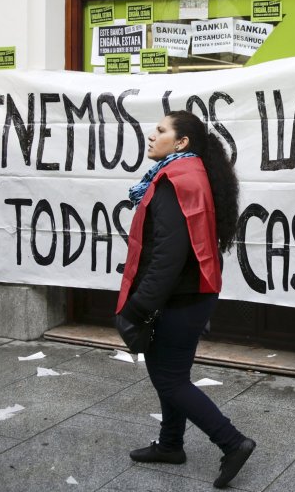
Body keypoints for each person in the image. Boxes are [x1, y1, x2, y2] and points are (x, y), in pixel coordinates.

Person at [115, 110, 255, 487]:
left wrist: (139, 305)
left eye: (160, 130)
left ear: (181, 143)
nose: (151, 135)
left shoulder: (176, 180)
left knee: (171, 379)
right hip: (189, 295)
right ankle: (170, 445)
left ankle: (232, 442)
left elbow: (168, 255)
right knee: (169, 375)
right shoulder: (186, 174)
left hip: (182, 298)